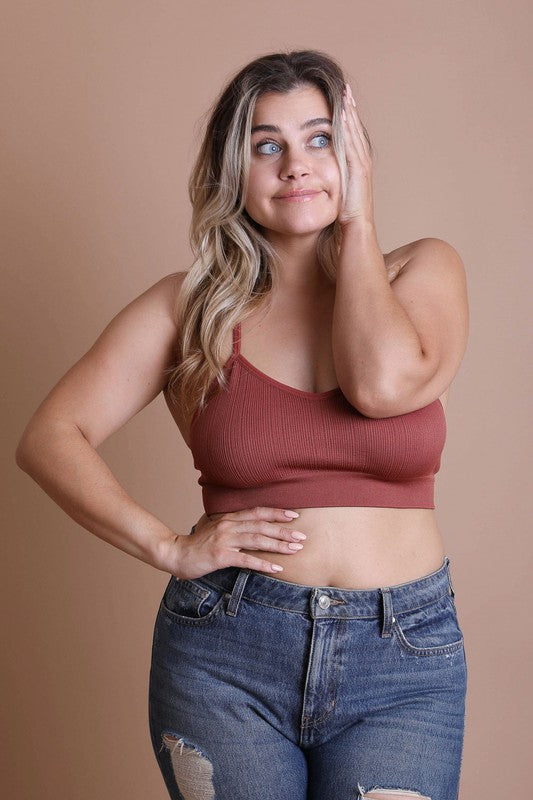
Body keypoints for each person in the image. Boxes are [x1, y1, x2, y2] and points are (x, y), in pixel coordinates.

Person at [15, 49, 469, 800]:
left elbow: (380, 385)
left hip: (403, 654)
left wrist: (357, 222)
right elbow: (50, 436)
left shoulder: (419, 272)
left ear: (352, 153)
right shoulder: (187, 307)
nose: (296, 165)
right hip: (226, 650)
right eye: (267, 146)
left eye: (319, 139)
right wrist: (167, 545)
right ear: (235, 171)